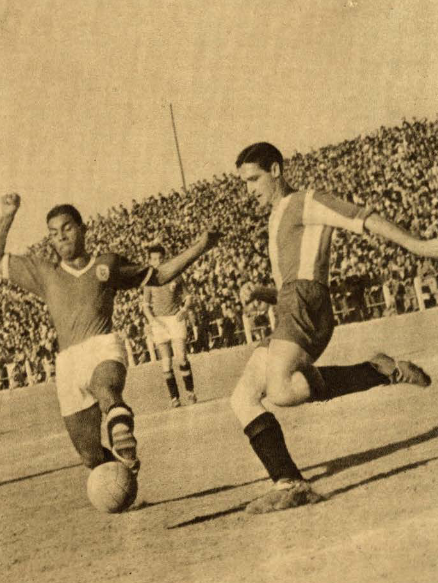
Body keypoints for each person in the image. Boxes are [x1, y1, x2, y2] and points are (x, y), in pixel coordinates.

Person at [230, 142, 435, 514]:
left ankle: (377, 372)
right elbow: (286, 288)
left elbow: (363, 217)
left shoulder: (306, 201)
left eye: (253, 179)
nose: (249, 190)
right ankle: (287, 481)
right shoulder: (275, 217)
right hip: (291, 305)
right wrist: (260, 292)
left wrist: (420, 247)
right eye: (244, 182)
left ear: (275, 170)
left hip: (307, 303)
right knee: (242, 398)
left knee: (281, 390)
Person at [0, 193, 220, 474]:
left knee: (105, 388)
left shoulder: (107, 264)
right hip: (67, 364)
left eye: (67, 228)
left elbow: (159, 276)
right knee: (90, 456)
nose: (61, 237)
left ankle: (122, 433)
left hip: (102, 346)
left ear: (83, 228)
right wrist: (7, 215)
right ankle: (123, 472)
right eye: (53, 233)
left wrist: (201, 246)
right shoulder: (44, 272)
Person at [143, 244, 197, 408]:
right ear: (150, 261)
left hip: (175, 318)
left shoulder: (175, 275)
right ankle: (174, 398)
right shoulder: (149, 282)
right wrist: (152, 320)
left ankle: (190, 392)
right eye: (154, 259)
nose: (158, 262)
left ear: (165, 258)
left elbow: (188, 297)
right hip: (159, 322)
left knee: (181, 357)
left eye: (160, 258)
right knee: (166, 362)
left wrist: (184, 310)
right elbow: (145, 306)